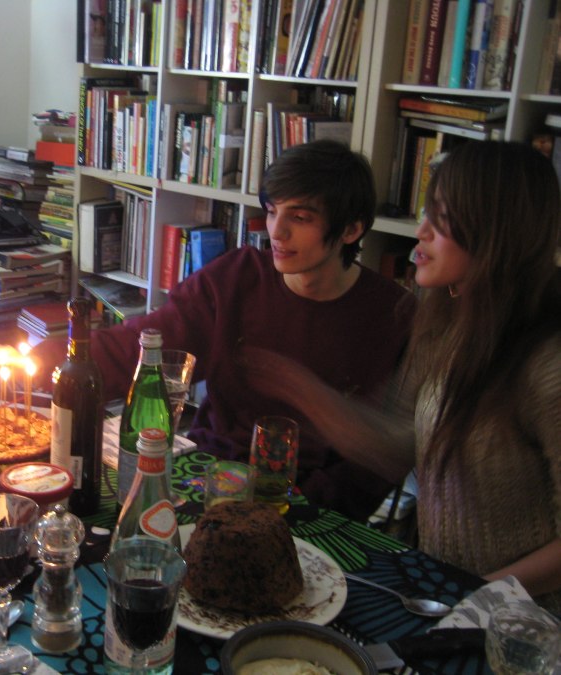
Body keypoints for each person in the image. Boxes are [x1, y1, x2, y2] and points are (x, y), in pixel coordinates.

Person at [238, 141, 561, 611]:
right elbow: (395, 441)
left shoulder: (548, 364)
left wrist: (475, 595)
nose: (421, 231)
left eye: (441, 220)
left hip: (523, 620)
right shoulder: (446, 324)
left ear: (496, 232)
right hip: (445, 587)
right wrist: (303, 389)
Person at [32, 140, 417, 521]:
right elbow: (141, 348)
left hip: (310, 506)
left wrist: (307, 507)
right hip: (209, 474)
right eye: (272, 212)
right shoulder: (237, 277)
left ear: (350, 230)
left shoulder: (393, 315)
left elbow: (378, 462)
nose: (277, 231)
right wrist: (43, 364)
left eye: (300, 218)